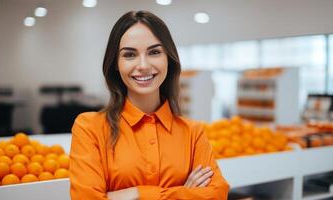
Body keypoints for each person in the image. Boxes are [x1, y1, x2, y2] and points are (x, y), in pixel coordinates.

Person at [69, 10, 229, 200]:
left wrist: (134, 194)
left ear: (168, 59)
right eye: (129, 55)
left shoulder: (193, 133)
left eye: (154, 52)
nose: (143, 65)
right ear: (115, 64)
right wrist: (185, 193)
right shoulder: (89, 128)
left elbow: (217, 194)